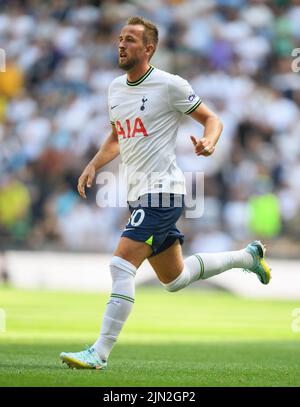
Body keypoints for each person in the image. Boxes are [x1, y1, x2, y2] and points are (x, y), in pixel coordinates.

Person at [60, 16, 271, 370]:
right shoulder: (115, 88)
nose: (121, 44)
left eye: (130, 40)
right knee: (175, 279)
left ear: (148, 49)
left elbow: (212, 119)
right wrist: (94, 164)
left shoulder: (169, 85)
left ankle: (99, 353)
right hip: (138, 194)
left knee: (120, 264)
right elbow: (117, 137)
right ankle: (247, 258)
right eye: (120, 38)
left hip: (163, 192)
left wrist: (209, 141)